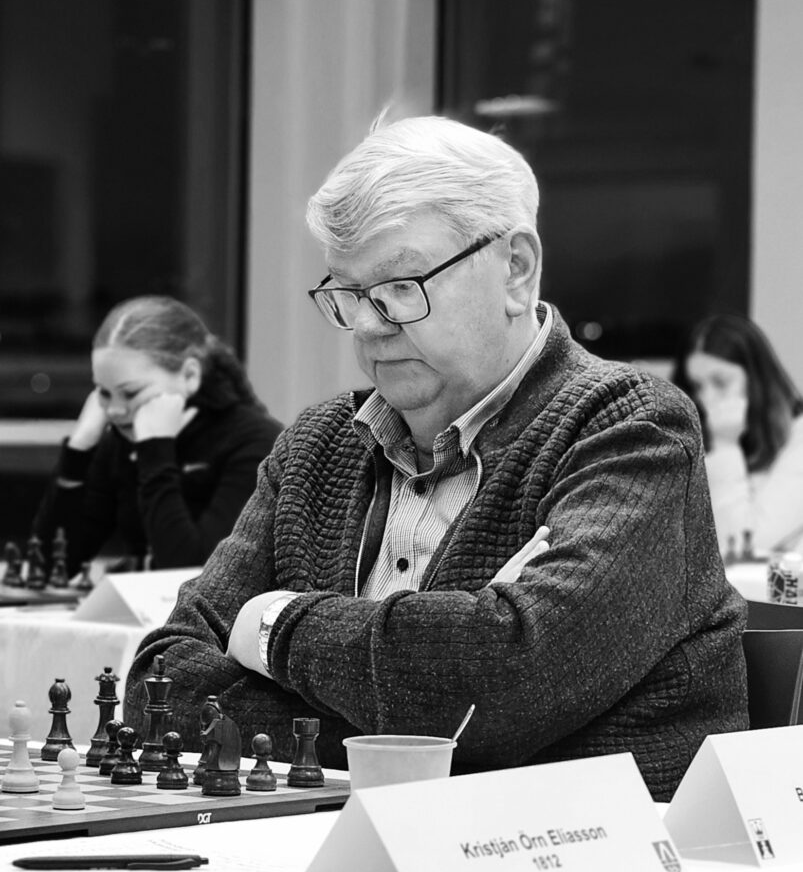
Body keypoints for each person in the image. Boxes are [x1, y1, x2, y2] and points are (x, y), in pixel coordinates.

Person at [125, 116, 747, 801]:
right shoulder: (317, 444)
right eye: (349, 294)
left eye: (400, 287)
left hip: (568, 847)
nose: (368, 326)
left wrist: (274, 626)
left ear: (515, 269)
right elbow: (159, 687)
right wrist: (425, 719)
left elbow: (505, 685)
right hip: (322, 837)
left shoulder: (629, 428)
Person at [34, 295, 282, 575]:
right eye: (104, 393)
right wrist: (79, 450)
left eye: (131, 393)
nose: (114, 410)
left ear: (189, 376)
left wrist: (156, 452)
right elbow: (50, 568)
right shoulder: (120, 442)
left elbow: (200, 578)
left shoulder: (255, 443)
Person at [674, 313, 803, 558]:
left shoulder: (799, 436)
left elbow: (744, 545)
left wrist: (726, 445)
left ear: (756, 378)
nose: (707, 399)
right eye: (698, 386)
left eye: (721, 382)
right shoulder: (700, 439)